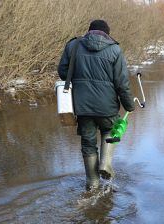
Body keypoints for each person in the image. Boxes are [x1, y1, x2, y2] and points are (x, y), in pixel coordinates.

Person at [58, 20, 135, 190]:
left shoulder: (73, 46)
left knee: (88, 143)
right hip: (107, 106)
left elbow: (63, 72)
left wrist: (79, 77)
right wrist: (129, 105)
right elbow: (122, 83)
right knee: (110, 130)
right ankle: (105, 163)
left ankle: (92, 182)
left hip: (82, 106)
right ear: (107, 33)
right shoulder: (115, 49)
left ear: (89, 31)